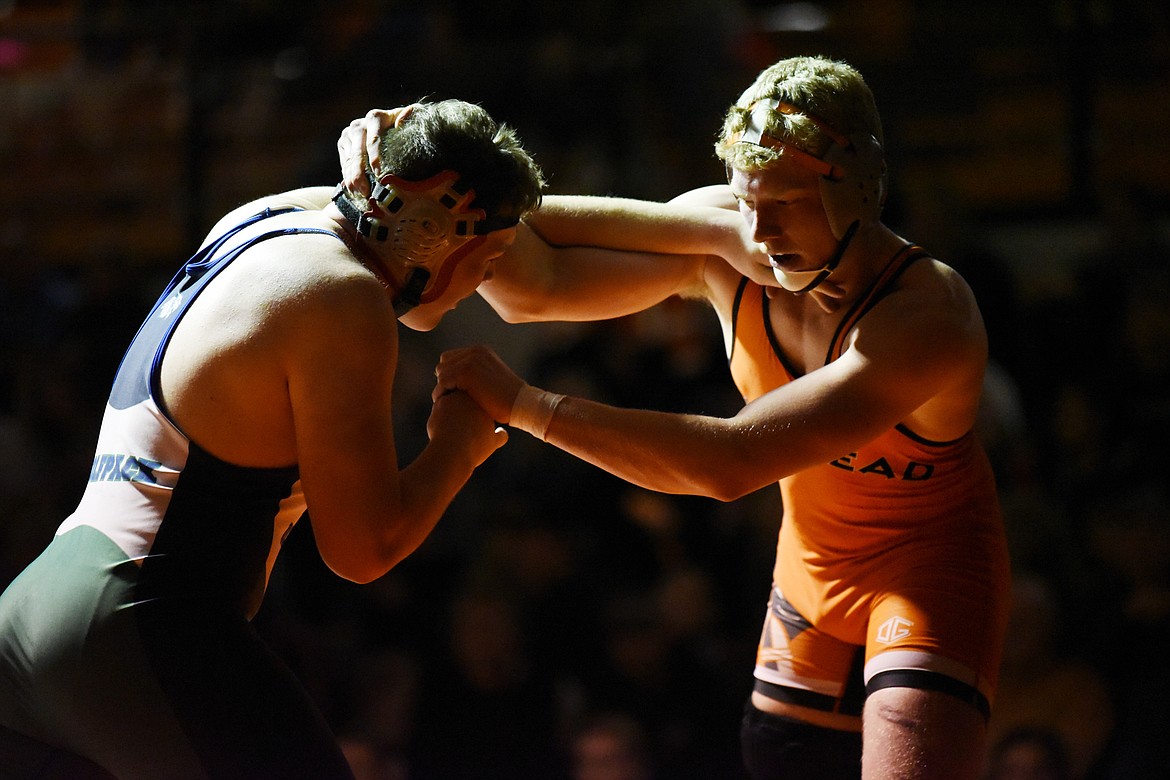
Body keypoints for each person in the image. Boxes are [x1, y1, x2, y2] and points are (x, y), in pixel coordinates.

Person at [340, 55, 1011, 779]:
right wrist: (415, 165)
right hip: (809, 571)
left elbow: (729, 464)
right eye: (745, 200)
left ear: (859, 189)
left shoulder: (926, 315)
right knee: (781, 762)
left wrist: (525, 406)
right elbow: (531, 281)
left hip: (930, 572)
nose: (759, 229)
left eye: (783, 202)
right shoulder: (735, 235)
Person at [0, 99, 544, 779]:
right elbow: (362, 548)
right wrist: (461, 442)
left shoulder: (261, 219)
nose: (491, 277)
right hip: (139, 624)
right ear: (433, 233)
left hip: (35, 619)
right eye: (489, 253)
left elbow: (389, 180)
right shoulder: (345, 298)